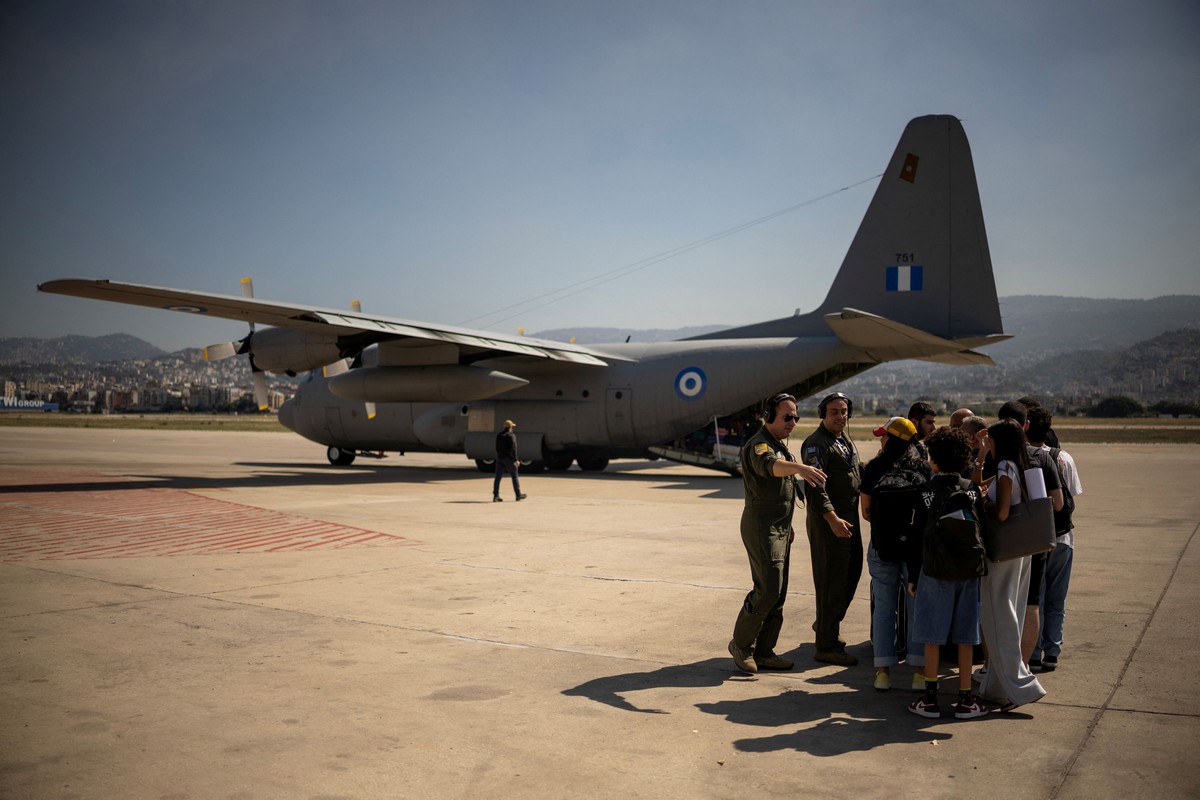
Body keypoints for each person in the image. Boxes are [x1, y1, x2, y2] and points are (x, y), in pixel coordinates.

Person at [729, 393, 828, 673]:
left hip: (779, 527)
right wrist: (801, 468)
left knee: (779, 592)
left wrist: (788, 524)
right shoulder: (760, 445)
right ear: (770, 416)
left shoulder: (780, 446)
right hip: (762, 527)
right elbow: (770, 468)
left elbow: (780, 492)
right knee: (768, 588)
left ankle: (765, 651)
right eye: (787, 417)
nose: (793, 422)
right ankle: (741, 644)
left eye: (795, 417)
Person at [906, 426, 990, 719]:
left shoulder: (925, 491)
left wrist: (914, 576)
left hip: (934, 571)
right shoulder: (970, 488)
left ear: (934, 459)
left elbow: (917, 538)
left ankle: (930, 698)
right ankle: (966, 699)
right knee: (966, 638)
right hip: (968, 572)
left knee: (932, 637)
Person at [976, 419, 1047, 710]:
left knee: (999, 618)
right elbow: (977, 483)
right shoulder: (1020, 466)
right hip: (1021, 552)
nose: (988, 444)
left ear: (999, 441)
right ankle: (995, 687)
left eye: (990, 441)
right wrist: (981, 457)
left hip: (1002, 555)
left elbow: (1002, 513)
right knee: (1010, 613)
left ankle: (1022, 686)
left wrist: (983, 505)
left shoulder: (1005, 469)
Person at [860, 416, 931, 690]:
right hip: (915, 550)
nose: (881, 438)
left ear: (890, 439)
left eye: (883, 434)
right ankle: (919, 672)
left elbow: (865, 513)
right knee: (915, 609)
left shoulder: (874, 467)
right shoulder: (923, 468)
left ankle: (882, 673)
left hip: (882, 547)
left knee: (884, 609)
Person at [802, 392, 864, 666]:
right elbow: (816, 488)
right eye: (834, 412)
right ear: (823, 414)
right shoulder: (816, 445)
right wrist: (832, 519)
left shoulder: (843, 440)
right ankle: (826, 645)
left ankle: (828, 624)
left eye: (843, 411)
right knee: (831, 581)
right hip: (830, 523)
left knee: (851, 574)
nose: (840, 417)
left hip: (849, 519)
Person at [1026, 405, 1082, 672]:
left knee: (1036, 596)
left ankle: (1034, 652)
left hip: (1037, 537)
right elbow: (1072, 495)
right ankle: (1053, 651)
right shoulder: (1064, 458)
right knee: (1057, 598)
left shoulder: (1027, 457)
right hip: (1064, 538)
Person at [493, 420, 527, 502]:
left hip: (500, 458)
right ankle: (518, 495)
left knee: (498, 477)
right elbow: (513, 449)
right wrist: (516, 459)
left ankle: (496, 496)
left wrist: (500, 455)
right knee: (514, 476)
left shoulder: (499, 435)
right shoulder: (512, 436)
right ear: (510, 427)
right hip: (509, 459)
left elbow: (497, 448)